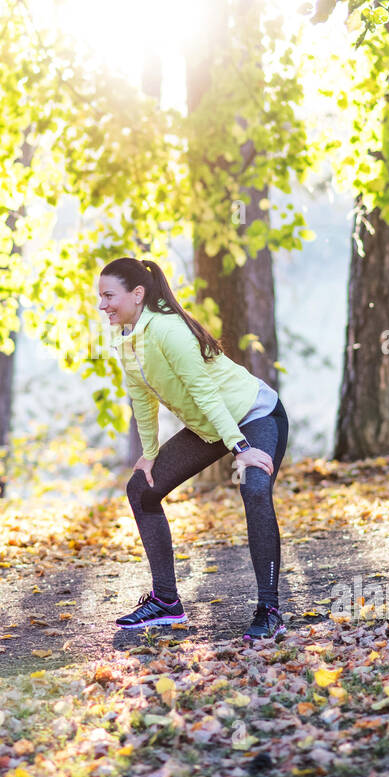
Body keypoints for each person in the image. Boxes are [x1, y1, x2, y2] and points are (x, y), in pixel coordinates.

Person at [99, 257, 291, 641]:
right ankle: (166, 602)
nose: (103, 305)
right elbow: (142, 400)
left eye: (109, 296)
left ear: (137, 295)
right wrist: (150, 453)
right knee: (142, 488)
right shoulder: (127, 339)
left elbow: (204, 390)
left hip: (254, 413)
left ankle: (269, 609)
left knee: (254, 488)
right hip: (211, 426)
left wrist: (240, 448)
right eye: (100, 297)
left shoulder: (167, 330)